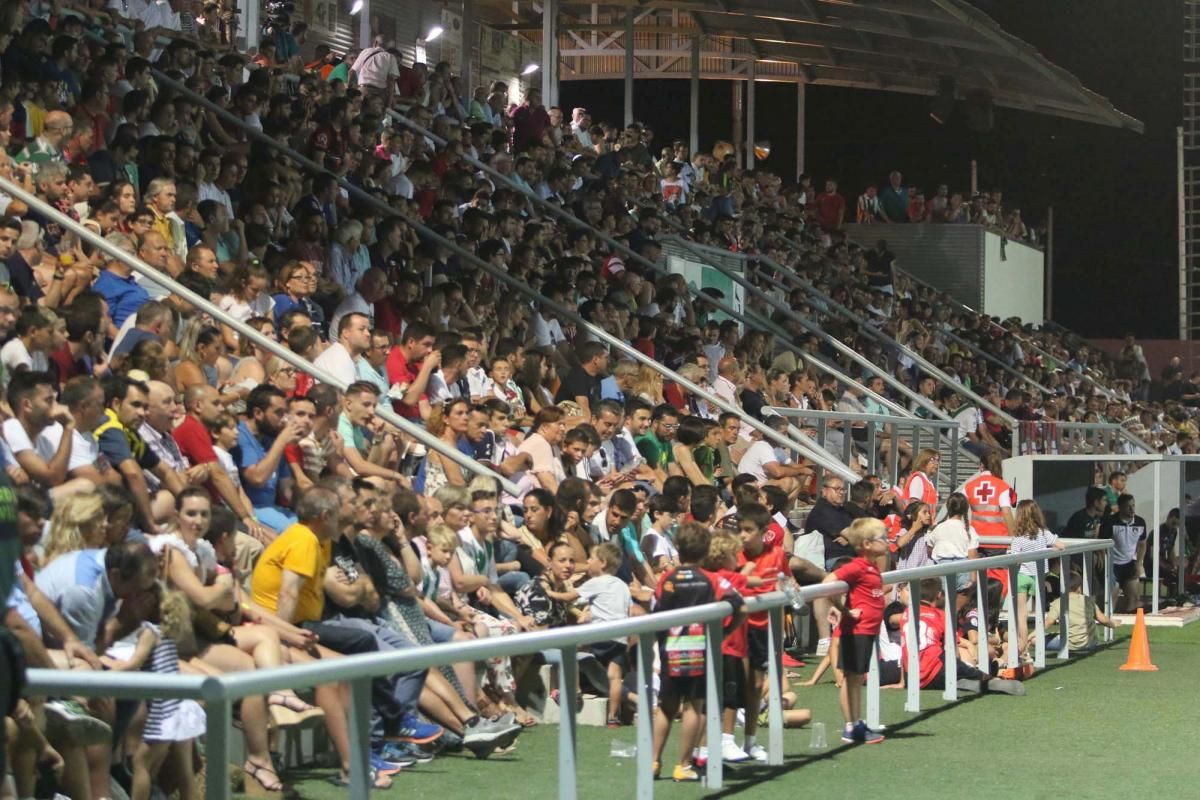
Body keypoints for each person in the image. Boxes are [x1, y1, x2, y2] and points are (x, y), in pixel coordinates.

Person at [650, 521, 745, 782]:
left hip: (671, 649)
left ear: (678, 549)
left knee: (666, 708)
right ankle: (682, 765)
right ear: (706, 551)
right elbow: (740, 605)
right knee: (694, 707)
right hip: (699, 651)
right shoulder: (712, 579)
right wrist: (724, 632)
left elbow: (656, 610)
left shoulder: (667, 579)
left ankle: (653, 761)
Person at [822, 517, 889, 744]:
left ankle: (856, 722)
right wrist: (843, 609)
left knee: (857, 677)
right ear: (867, 544)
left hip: (868, 630)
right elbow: (828, 582)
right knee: (851, 677)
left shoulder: (871, 566)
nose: (887, 542)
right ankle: (850, 726)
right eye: (882, 538)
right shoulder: (858, 566)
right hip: (856, 631)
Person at [1007, 499, 1066, 662]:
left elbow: (1014, 559)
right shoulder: (1043, 533)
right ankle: (1032, 649)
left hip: (1022, 576)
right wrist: (1049, 549)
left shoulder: (1018, 537)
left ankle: (1023, 648)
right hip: (1038, 577)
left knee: (1021, 615)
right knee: (1039, 613)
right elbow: (1061, 545)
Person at [1045, 571, 1120, 652]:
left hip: (1069, 643)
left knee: (1036, 640)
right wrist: (1113, 624)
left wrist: (1031, 635)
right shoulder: (1088, 600)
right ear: (1079, 588)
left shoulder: (1058, 602)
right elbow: (1102, 619)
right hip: (1091, 643)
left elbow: (1048, 622)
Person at [1099, 493, 1148, 613]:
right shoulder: (1110, 522)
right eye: (1128, 507)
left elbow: (1142, 544)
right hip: (1113, 564)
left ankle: (1131, 625)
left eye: (1133, 506)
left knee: (1134, 599)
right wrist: (1104, 562)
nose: (1132, 509)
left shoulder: (1140, 522)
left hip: (1129, 563)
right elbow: (1100, 545)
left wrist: (1138, 563)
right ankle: (1107, 625)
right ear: (1120, 507)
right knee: (1111, 598)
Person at [925, 493, 979, 591]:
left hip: (942, 568)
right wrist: (973, 580)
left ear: (948, 507)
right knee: (961, 598)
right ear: (965, 509)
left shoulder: (937, 527)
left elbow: (929, 549)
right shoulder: (969, 530)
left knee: (944, 600)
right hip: (963, 568)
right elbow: (972, 555)